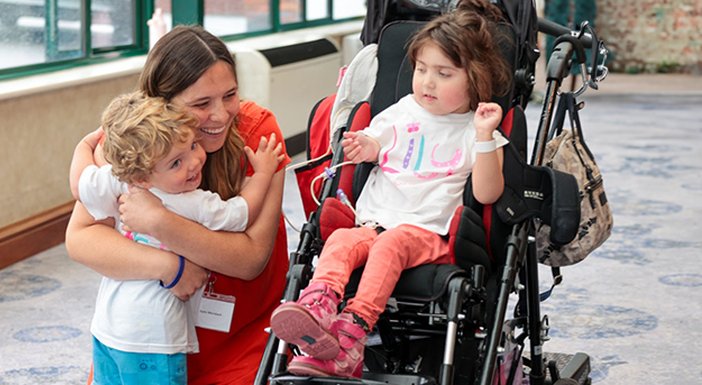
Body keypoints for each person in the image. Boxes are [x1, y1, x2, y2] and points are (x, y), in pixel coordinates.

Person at [269, 7, 512, 378]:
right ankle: (319, 306)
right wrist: (365, 146)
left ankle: (352, 333)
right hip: (375, 221)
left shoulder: (475, 129)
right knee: (340, 242)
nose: (427, 82)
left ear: (475, 78)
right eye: (421, 69)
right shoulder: (403, 111)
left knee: (390, 244)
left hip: (429, 234)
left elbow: (488, 192)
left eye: (443, 74)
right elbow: (374, 140)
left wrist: (483, 136)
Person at [65, 25, 292, 385]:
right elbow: (81, 239)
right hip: (148, 334)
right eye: (201, 104)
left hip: (242, 329)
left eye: (230, 95)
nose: (220, 115)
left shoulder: (258, 132)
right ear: (163, 104)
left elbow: (251, 260)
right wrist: (170, 266)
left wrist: (159, 222)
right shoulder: (137, 138)